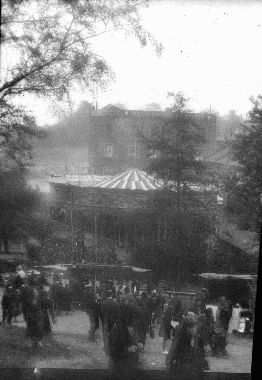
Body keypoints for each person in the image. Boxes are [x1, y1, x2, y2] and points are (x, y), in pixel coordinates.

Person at [166, 315, 208, 380]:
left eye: (195, 327)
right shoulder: (180, 339)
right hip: (182, 370)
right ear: (185, 328)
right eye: (191, 328)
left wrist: (202, 363)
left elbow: (202, 354)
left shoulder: (198, 339)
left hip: (195, 370)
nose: (194, 329)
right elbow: (171, 355)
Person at [108, 303, 143, 372]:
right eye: (135, 318)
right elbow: (113, 351)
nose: (136, 322)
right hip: (120, 367)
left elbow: (127, 342)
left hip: (127, 365)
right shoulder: (117, 330)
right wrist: (128, 349)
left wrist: (137, 345)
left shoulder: (124, 327)